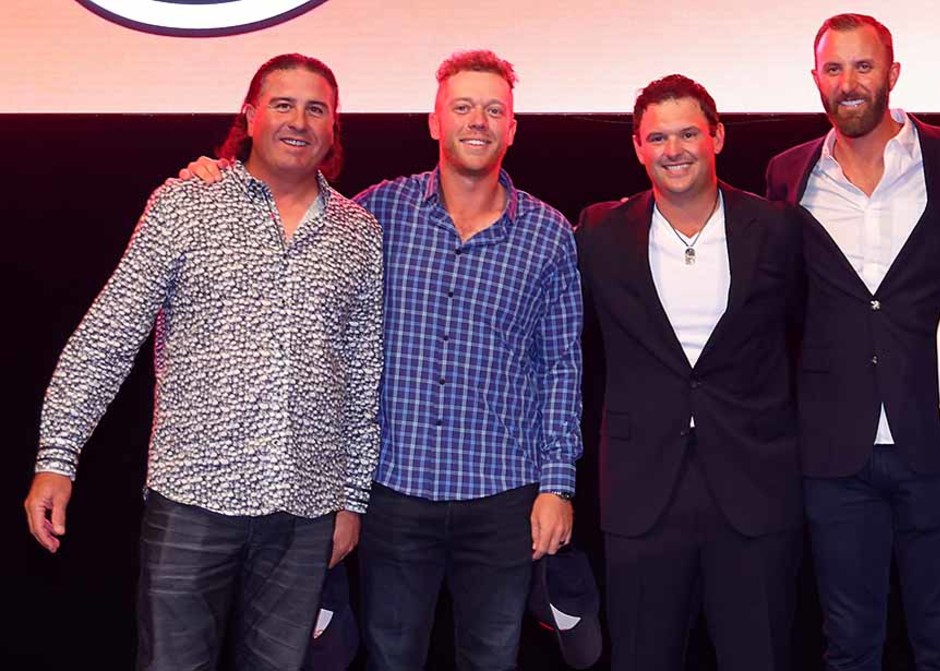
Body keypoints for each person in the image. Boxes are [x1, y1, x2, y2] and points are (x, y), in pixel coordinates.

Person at [178, 49, 582, 670]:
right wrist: (222, 174)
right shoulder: (374, 214)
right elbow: (290, 200)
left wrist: (557, 482)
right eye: (463, 107)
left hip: (503, 495)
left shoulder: (549, 233)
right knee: (390, 658)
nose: (478, 120)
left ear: (512, 128)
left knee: (494, 659)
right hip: (394, 491)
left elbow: (560, 364)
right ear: (434, 121)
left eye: (494, 109)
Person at [23, 53, 383, 670]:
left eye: (315, 108)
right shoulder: (186, 204)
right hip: (191, 500)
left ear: (332, 128)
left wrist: (350, 500)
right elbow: (109, 333)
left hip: (304, 512)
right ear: (249, 115)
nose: (298, 120)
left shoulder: (359, 232)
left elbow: (360, 378)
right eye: (282, 104)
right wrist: (57, 457)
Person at [576, 74, 807, 670]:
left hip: (755, 489)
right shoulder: (599, 232)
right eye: (657, 137)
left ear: (717, 138)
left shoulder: (778, 230)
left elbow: (809, 338)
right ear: (637, 147)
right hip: (642, 492)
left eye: (687, 134)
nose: (673, 150)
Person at [764, 14, 940, 670]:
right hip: (833, 454)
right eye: (833, 68)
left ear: (893, 73)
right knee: (849, 642)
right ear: (816, 80)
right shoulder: (788, 173)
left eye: (863, 66)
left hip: (936, 444)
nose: (848, 82)